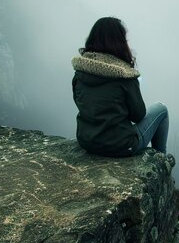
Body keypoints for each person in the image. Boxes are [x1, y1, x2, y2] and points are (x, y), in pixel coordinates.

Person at [71, 17, 169, 157]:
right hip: (121, 146)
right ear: (119, 42)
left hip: (86, 141)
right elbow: (138, 115)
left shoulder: (80, 72)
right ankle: (161, 158)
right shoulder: (125, 75)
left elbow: (79, 101)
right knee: (161, 109)